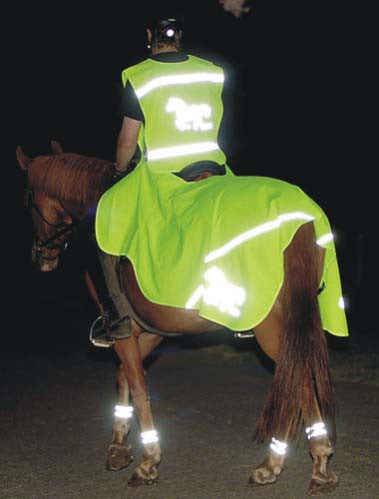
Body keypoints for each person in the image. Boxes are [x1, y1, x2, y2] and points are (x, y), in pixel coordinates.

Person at [86, 16, 232, 345]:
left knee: (98, 223)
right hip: (217, 169)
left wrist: (119, 172)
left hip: (166, 175)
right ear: (181, 37)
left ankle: (115, 318)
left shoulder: (140, 76)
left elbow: (127, 141)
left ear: (148, 36)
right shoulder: (211, 70)